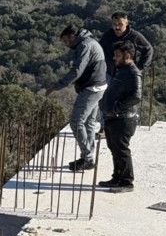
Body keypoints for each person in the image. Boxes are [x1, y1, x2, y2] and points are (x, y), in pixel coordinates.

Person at [48, 24, 107, 172]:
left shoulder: (85, 45)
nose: (66, 45)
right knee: (89, 122)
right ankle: (88, 157)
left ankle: (87, 158)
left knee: (76, 121)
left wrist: (58, 85)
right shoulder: (89, 42)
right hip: (98, 85)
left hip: (92, 88)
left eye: (66, 41)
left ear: (72, 36)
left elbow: (77, 70)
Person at [99, 40, 143, 193]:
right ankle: (117, 177)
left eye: (117, 55)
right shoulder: (121, 69)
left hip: (124, 118)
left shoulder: (133, 72)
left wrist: (117, 108)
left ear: (127, 55)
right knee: (114, 148)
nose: (114, 58)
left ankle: (126, 182)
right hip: (114, 117)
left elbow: (136, 96)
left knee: (121, 149)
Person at [100, 12, 153, 77]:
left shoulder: (135, 36)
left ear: (126, 23)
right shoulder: (107, 36)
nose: (117, 27)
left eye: (120, 24)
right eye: (114, 24)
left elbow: (148, 49)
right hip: (110, 75)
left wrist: (140, 68)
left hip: (130, 75)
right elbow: (99, 51)